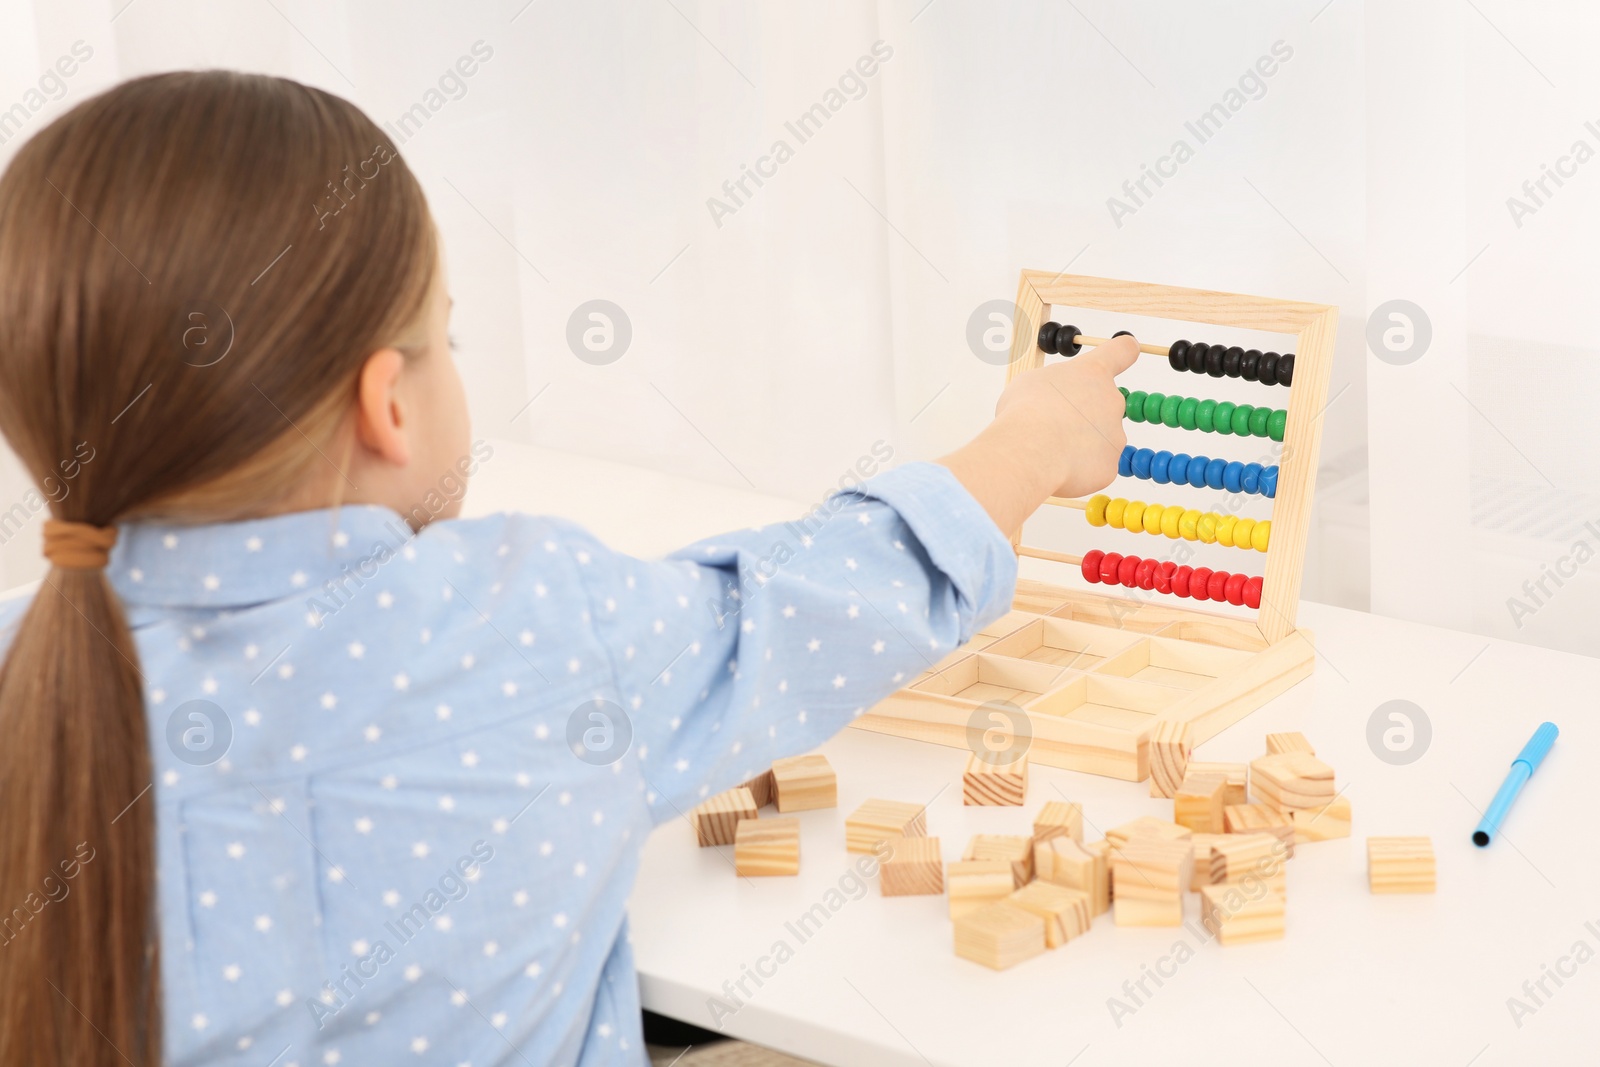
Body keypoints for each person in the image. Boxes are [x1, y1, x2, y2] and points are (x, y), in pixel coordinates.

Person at [0, 71, 1135, 1067]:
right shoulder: (535, 623)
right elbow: (813, 601)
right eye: (445, 335)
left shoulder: (25, 664)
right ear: (387, 403)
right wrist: (1037, 438)